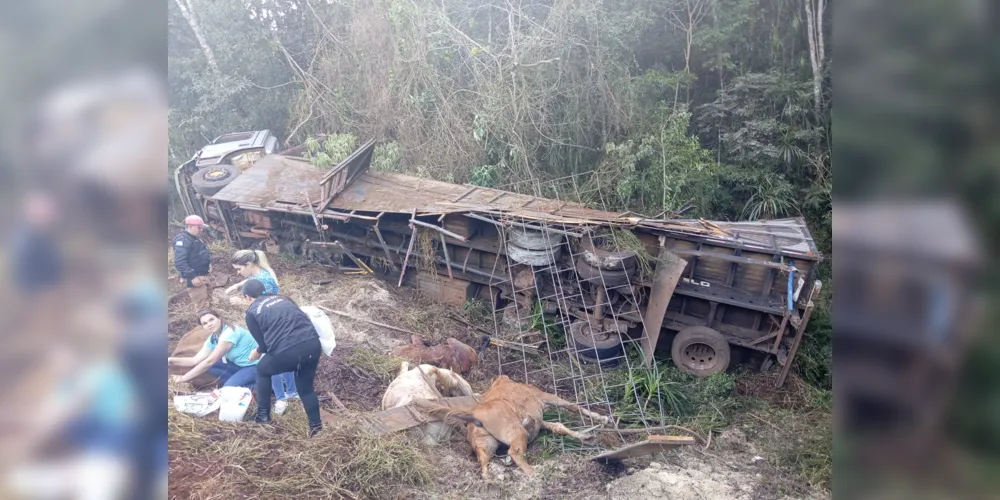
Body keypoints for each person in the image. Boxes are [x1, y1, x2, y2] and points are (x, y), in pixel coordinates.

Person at [169, 310, 297, 413]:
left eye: (211, 319)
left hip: (256, 365)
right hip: (241, 365)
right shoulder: (213, 339)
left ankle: (266, 387)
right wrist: (169, 360)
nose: (209, 324)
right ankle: (246, 381)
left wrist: (183, 379)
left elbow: (209, 361)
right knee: (211, 367)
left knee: (228, 388)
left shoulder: (229, 333)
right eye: (205, 323)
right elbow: (194, 360)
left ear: (219, 318)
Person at [242, 280, 323, 436]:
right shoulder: (285, 298)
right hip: (312, 344)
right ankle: (316, 428)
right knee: (306, 390)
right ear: (264, 290)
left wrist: (257, 351)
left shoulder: (252, 312)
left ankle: (263, 415)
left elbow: (264, 345)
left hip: (287, 351)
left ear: (247, 297)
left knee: (262, 370)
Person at [223, 249, 299, 406]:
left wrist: (242, 302)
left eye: (239, 269)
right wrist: (237, 285)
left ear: (249, 264)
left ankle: (282, 398)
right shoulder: (259, 274)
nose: (238, 273)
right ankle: (291, 392)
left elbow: (266, 306)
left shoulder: (264, 280)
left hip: (273, 326)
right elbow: (249, 280)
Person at [172, 215, 211, 290]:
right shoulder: (183, 240)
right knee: (200, 300)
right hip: (195, 278)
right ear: (190, 226)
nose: (201, 230)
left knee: (207, 300)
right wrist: (192, 277)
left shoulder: (195, 238)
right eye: (199, 227)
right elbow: (180, 262)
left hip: (202, 276)